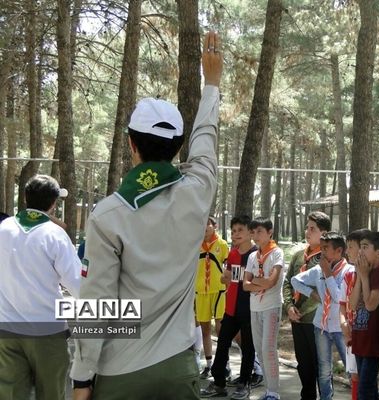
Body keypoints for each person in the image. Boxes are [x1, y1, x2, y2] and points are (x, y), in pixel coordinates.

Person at [70, 31, 223, 400]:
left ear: (130, 144)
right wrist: (212, 83)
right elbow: (206, 140)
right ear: (176, 148)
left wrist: (81, 378)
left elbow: (96, 302)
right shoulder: (196, 192)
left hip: (120, 370)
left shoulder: (108, 216)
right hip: (177, 368)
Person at [0, 174, 81, 399]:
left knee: (10, 394)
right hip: (46, 330)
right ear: (54, 203)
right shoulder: (55, 235)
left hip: (6, 330)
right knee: (51, 393)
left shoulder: (4, 227)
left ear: (25, 197)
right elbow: (77, 284)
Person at [200, 215, 257, 399]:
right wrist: (227, 277)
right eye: (233, 231)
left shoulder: (256, 255)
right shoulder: (232, 253)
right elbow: (226, 277)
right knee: (223, 343)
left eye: (240, 230)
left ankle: (244, 384)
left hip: (249, 308)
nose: (236, 234)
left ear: (250, 232)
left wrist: (239, 278)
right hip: (230, 307)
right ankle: (218, 383)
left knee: (248, 347)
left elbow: (256, 281)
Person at [291, 231, 354, 400]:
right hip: (321, 325)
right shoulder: (319, 269)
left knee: (350, 366)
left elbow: (338, 296)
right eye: (321, 247)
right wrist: (312, 294)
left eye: (326, 248)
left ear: (339, 251)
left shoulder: (349, 271)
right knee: (324, 369)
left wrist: (327, 275)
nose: (322, 252)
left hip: (341, 327)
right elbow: (295, 281)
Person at [283, 211, 331, 399]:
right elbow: (288, 282)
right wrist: (288, 306)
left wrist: (301, 310)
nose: (307, 232)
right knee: (303, 364)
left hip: (316, 320)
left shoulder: (327, 258)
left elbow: (323, 291)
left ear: (324, 233)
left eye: (312, 229)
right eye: (307, 227)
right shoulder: (298, 256)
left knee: (320, 364)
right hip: (297, 319)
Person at [350, 231, 379, 400]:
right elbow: (352, 304)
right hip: (360, 336)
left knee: (365, 390)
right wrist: (360, 275)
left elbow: (370, 305)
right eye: (360, 247)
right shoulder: (366, 270)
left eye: (365, 247)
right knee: (368, 389)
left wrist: (363, 276)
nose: (360, 251)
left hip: (373, 340)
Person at [243, 217, 286, 400]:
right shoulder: (253, 256)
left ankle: (274, 392)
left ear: (270, 232)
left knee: (268, 348)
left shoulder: (277, 253)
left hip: (272, 306)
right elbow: (245, 284)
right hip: (255, 307)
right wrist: (260, 283)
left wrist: (257, 282)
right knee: (259, 349)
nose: (255, 236)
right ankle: (269, 390)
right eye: (253, 232)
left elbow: (271, 281)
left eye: (259, 231)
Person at [195, 215, 230, 378]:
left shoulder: (222, 245)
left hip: (219, 290)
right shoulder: (195, 245)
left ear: (214, 226)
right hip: (200, 292)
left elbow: (229, 268)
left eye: (207, 224)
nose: (204, 228)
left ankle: (225, 364)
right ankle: (208, 365)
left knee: (221, 328)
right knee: (205, 329)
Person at [339, 229, 370, 400]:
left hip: (366, 333)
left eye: (350, 247)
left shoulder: (373, 275)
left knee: (366, 376)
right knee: (355, 375)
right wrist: (343, 324)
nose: (347, 251)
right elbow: (343, 305)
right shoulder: (348, 275)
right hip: (351, 332)